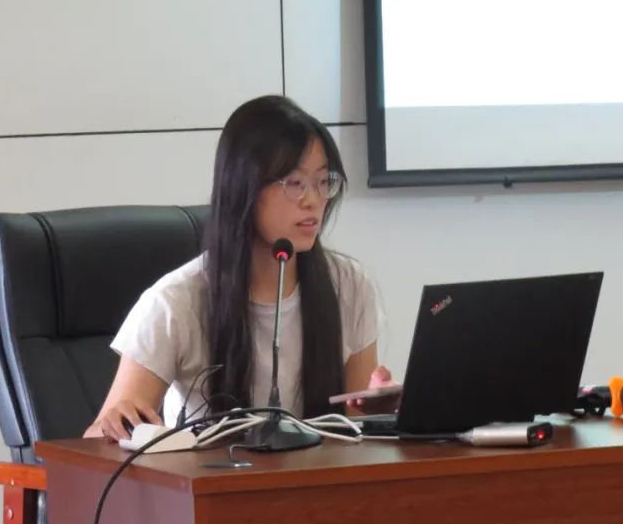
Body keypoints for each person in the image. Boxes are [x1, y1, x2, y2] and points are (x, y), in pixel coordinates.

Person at [85, 94, 397, 440]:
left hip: (320, 473)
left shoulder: (348, 285)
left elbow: (355, 429)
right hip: (208, 473)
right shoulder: (176, 302)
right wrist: (117, 423)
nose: (313, 200)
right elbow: (102, 440)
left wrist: (381, 411)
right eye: (294, 183)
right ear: (244, 187)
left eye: (324, 181)